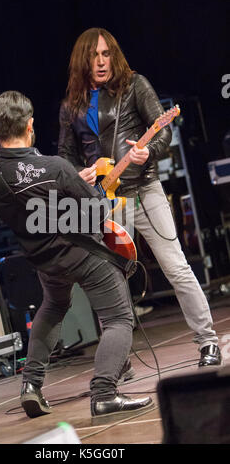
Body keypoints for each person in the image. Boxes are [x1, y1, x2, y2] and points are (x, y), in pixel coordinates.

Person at [0, 90, 153, 424]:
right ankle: (104, 394)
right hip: (83, 254)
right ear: (30, 125)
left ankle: (31, 385)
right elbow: (98, 212)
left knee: (53, 307)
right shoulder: (54, 167)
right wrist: (79, 185)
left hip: (43, 259)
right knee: (119, 319)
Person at [58, 27, 222, 367]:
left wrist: (150, 153)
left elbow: (162, 131)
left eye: (106, 54)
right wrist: (79, 173)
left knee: (176, 266)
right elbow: (65, 156)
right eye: (94, 56)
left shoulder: (134, 85)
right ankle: (117, 360)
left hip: (144, 189)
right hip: (106, 201)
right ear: (82, 60)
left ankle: (208, 341)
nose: (101, 62)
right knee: (108, 280)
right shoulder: (72, 104)